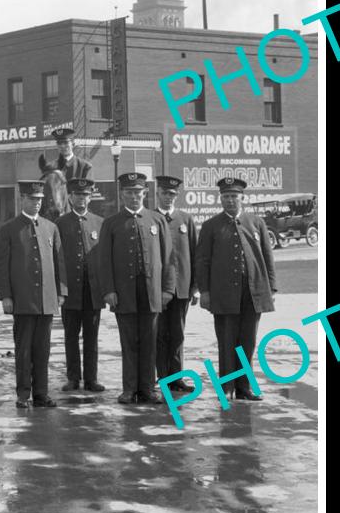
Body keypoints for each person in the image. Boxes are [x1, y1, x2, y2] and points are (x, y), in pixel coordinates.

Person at [195, 177, 277, 402]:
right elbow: (202, 261)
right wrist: (205, 291)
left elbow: (267, 257)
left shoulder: (256, 222)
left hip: (253, 292)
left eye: (234, 196)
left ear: (243, 198)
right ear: (220, 199)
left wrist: (271, 287)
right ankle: (227, 387)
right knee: (227, 341)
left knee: (248, 341)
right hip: (223, 293)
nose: (230, 201)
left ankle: (244, 387)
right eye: (226, 197)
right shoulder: (211, 226)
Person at [98, 173, 175, 405]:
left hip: (151, 292)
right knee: (129, 342)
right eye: (129, 192)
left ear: (145, 193)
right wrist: (109, 290)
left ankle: (148, 389)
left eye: (137, 192)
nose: (133, 197)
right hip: (124, 293)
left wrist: (166, 290)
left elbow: (169, 258)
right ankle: (129, 389)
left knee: (150, 341)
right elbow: (105, 261)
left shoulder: (156, 220)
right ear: (122, 195)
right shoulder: (111, 223)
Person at [0, 180, 66, 408]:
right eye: (32, 199)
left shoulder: (50, 227)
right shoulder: (9, 229)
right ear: (22, 200)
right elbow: (1, 266)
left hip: (46, 300)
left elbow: (58, 262)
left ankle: (41, 393)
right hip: (23, 300)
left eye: (39, 200)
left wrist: (61, 292)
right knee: (23, 350)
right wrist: (5, 296)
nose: (36, 204)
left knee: (43, 350)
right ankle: (23, 393)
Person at [55, 178, 106, 393]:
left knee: (92, 337)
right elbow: (57, 259)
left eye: (85, 195)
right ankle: (73, 378)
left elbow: (104, 259)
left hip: (93, 290)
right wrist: (61, 289)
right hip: (70, 291)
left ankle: (91, 378)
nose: (82, 199)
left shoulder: (99, 222)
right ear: (70, 197)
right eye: (77, 195)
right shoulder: (60, 223)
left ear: (90, 197)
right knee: (70, 336)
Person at [154, 175, 198, 394]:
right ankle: (162, 376)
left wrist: (195, 287)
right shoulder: (150, 218)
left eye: (172, 194)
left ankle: (177, 376)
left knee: (178, 333)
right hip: (158, 289)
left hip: (181, 288)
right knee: (160, 333)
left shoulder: (185, 219)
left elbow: (194, 253)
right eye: (165, 193)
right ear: (157, 194)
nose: (169, 198)